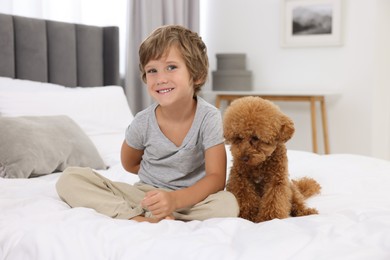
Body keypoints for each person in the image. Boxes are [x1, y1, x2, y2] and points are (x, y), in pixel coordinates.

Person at [56, 25, 239, 223]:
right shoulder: (142, 122)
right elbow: (129, 163)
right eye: (152, 70)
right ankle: (138, 216)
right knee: (70, 178)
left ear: (197, 76)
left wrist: (174, 199)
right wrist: (157, 195)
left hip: (190, 199)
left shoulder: (208, 117)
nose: (160, 79)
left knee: (227, 203)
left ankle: (163, 215)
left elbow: (216, 178)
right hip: (145, 197)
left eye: (171, 67)